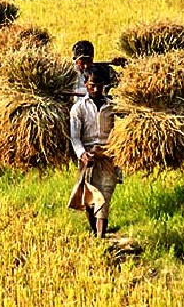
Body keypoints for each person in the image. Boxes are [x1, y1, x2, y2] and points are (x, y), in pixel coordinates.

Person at [67, 64, 123, 238]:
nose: (96, 89)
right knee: (90, 200)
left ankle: (100, 236)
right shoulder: (78, 109)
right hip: (88, 159)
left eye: (100, 85)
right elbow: (75, 137)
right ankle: (95, 231)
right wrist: (83, 154)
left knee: (104, 198)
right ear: (85, 83)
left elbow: (121, 130)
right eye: (92, 85)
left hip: (108, 157)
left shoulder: (113, 107)